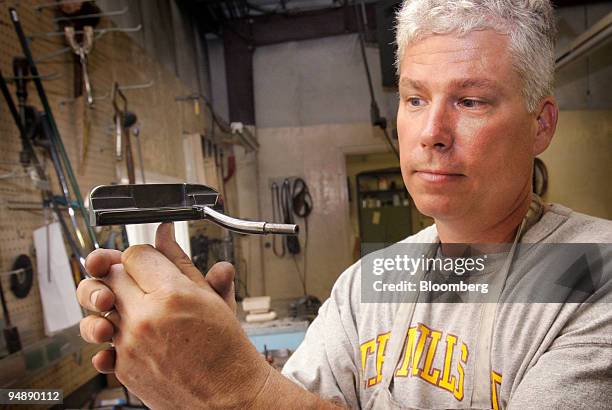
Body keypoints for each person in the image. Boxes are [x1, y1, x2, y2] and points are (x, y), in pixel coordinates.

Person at [76, 0, 612, 408]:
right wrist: (181, 370)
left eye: (470, 101)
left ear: (540, 124)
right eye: (415, 99)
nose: (432, 133)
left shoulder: (594, 275)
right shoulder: (369, 284)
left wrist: (230, 384)